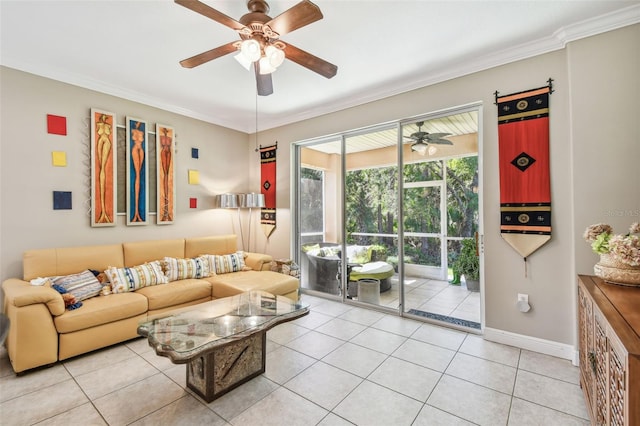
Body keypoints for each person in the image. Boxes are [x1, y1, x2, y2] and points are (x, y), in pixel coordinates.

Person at [95, 113, 112, 223]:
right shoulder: (98, 124)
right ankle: (103, 211)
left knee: (103, 169)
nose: (106, 118)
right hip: (101, 141)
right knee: (101, 169)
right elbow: (98, 133)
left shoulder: (109, 127)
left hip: (107, 142)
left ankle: (104, 212)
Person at [130, 121, 145, 223]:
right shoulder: (132, 130)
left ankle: (137, 213)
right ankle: (136, 212)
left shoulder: (142, 132)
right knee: (137, 176)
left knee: (139, 176)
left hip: (141, 149)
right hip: (135, 148)